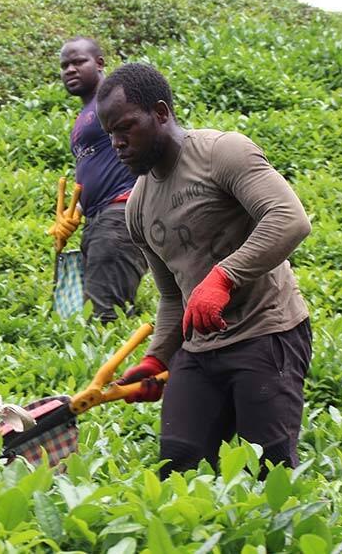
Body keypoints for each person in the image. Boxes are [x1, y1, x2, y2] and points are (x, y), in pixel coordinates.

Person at [96, 62, 313, 477]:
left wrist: (223, 276)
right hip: (198, 350)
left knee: (267, 472)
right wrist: (157, 357)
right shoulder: (138, 207)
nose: (117, 143)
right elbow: (173, 296)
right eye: (110, 134)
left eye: (126, 127)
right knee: (177, 466)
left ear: (161, 113)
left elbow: (289, 218)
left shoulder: (222, 153)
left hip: (266, 332)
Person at [50, 37, 147, 323]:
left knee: (103, 317)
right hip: (99, 219)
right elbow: (98, 168)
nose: (70, 69)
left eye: (78, 62)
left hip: (122, 212)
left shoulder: (117, 99)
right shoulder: (86, 114)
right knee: (81, 314)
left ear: (100, 63)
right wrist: (74, 214)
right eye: (64, 65)